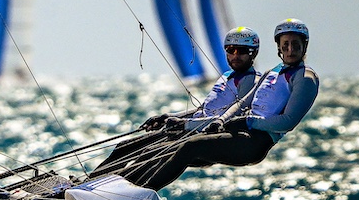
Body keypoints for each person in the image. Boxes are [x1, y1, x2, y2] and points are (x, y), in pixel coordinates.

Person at [113, 18, 319, 191]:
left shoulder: (305, 77)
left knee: (189, 146)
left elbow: (288, 122)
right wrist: (221, 121)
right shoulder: (271, 72)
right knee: (156, 147)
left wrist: (247, 122)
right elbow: (241, 104)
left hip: (255, 142)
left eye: (296, 45)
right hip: (240, 131)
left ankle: (138, 193)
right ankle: (109, 186)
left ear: (305, 46)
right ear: (279, 47)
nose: (290, 50)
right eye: (285, 45)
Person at [91, 26, 262, 177]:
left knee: (149, 153)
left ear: (253, 53)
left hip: (203, 137)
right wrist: (167, 117)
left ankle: (112, 189)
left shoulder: (251, 80)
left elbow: (231, 116)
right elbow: (203, 109)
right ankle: (88, 184)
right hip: (188, 128)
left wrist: (185, 124)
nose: (235, 55)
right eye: (231, 50)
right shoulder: (226, 76)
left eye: (242, 51)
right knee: (124, 147)